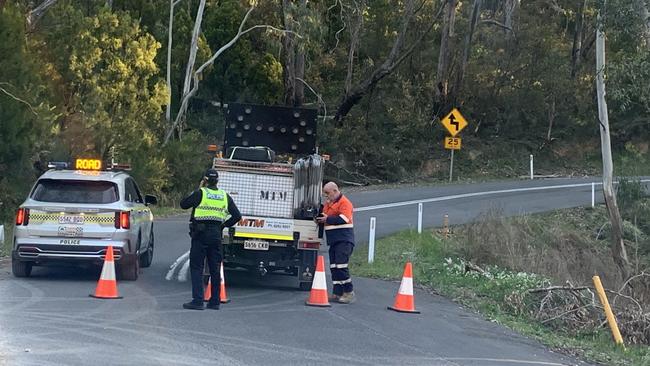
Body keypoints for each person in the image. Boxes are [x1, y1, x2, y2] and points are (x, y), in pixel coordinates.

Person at [180, 168, 241, 310]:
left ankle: (198, 301)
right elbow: (237, 216)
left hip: (200, 234)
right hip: (216, 235)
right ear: (217, 181)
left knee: (197, 267)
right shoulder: (224, 196)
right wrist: (223, 225)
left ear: (205, 180)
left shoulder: (201, 193)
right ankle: (215, 302)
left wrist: (198, 189)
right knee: (215, 268)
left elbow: (183, 205)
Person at [316, 182, 355, 304]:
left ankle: (349, 292)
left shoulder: (345, 203)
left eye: (327, 193)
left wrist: (327, 219)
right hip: (334, 241)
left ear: (335, 190)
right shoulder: (329, 204)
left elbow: (343, 219)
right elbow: (325, 216)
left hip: (344, 240)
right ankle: (337, 292)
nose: (326, 196)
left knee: (341, 266)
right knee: (333, 267)